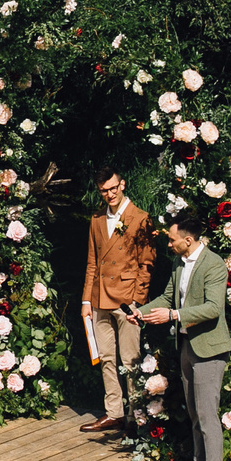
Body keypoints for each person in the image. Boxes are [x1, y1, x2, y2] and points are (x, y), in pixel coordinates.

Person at [128, 205, 231, 461]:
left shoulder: (214, 265)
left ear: (188, 240)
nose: (168, 244)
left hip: (209, 348)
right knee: (195, 411)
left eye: (172, 240)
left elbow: (213, 309)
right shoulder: (179, 263)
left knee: (208, 412)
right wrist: (141, 313)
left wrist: (174, 316)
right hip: (187, 345)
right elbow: (168, 296)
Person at [78, 165, 157, 433]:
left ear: (122, 184)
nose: (110, 194)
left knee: (130, 359)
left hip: (126, 301)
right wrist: (86, 301)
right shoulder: (97, 219)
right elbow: (91, 262)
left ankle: (136, 416)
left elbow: (147, 263)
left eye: (113, 188)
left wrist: (137, 300)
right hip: (99, 299)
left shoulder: (141, 218)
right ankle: (114, 413)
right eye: (104, 191)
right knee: (107, 358)